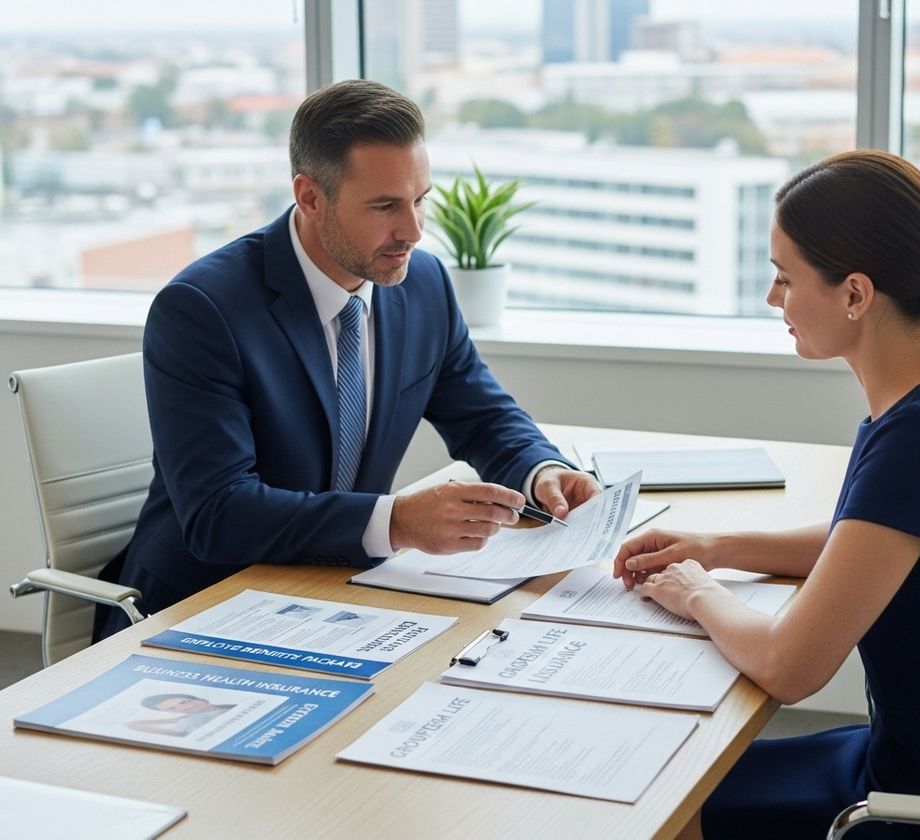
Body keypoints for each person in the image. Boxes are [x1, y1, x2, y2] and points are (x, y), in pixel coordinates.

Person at [613, 150, 920, 839]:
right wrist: (718, 547)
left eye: (784, 278)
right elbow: (869, 539)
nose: (775, 300)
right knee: (667, 778)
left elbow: (789, 667)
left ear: (855, 294)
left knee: (659, 812)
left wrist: (693, 592)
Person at [96, 80, 599, 640]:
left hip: (340, 594)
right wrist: (398, 520)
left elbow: (481, 414)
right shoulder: (203, 310)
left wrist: (542, 471)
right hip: (201, 604)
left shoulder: (423, 284)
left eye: (420, 199)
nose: (412, 230)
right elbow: (218, 514)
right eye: (385, 206)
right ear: (310, 197)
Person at [126, 694, 236, 737]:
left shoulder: (236, 704)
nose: (184, 708)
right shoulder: (190, 725)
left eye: (184, 702)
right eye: (173, 709)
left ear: (202, 698)